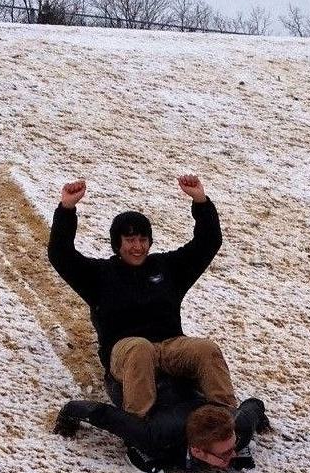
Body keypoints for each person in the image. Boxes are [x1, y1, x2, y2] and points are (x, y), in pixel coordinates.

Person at [48, 175, 235, 419]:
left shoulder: (167, 268)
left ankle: (225, 421)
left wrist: (200, 201)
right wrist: (67, 209)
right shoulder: (99, 275)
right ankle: (139, 425)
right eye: (130, 240)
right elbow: (60, 254)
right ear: (118, 244)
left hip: (170, 346)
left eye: (143, 239)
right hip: (125, 351)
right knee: (141, 348)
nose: (138, 246)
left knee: (205, 349)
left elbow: (208, 242)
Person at [53, 374, 271, 473]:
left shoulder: (237, 429)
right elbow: (102, 414)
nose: (233, 453)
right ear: (196, 449)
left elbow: (254, 404)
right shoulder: (156, 438)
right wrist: (66, 419)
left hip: (177, 379)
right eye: (224, 454)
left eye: (233, 446)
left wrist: (261, 423)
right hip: (130, 378)